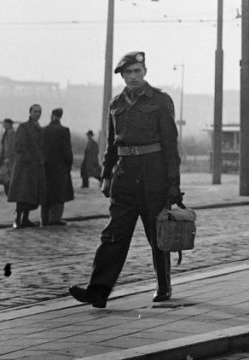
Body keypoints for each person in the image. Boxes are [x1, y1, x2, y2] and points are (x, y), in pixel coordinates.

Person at [69, 51, 182, 308]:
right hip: (124, 175)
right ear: (122, 75)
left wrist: (174, 183)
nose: (133, 77)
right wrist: (106, 176)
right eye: (128, 73)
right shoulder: (115, 104)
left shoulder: (161, 101)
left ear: (145, 72)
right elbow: (111, 144)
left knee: (157, 233)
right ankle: (98, 291)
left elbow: (170, 145)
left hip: (153, 174)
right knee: (114, 233)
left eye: (137, 72)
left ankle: (163, 285)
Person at [7, 105, 45, 228]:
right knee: (22, 194)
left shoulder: (39, 128)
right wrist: (29, 159)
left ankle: (26, 218)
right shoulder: (24, 127)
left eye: (39, 112)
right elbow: (19, 146)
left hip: (35, 167)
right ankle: (18, 219)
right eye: (35, 111)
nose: (37, 114)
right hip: (25, 167)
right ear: (30, 112)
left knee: (30, 194)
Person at [40, 107, 74, 226]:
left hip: (45, 166)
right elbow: (67, 152)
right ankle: (55, 219)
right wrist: (69, 164)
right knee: (59, 194)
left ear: (52, 115)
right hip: (59, 167)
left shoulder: (43, 130)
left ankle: (44, 219)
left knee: (46, 194)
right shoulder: (64, 131)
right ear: (61, 116)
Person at [0, 118, 15, 197]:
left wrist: (8, 157)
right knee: (4, 174)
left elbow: (10, 146)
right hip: (4, 156)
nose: (3, 125)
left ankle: (9, 191)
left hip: (7, 158)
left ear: (9, 124)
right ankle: (8, 191)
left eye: (5, 123)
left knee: (7, 174)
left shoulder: (11, 133)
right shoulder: (7, 133)